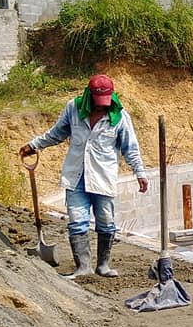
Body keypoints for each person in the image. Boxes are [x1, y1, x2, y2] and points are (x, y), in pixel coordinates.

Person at [19, 74, 148, 278]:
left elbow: (130, 149)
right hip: (76, 176)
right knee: (77, 221)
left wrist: (139, 172)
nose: (102, 107)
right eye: (98, 104)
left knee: (105, 220)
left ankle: (103, 265)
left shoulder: (120, 117)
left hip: (102, 178)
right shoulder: (74, 108)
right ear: (89, 96)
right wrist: (34, 145)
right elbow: (57, 133)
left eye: (105, 103)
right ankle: (83, 267)